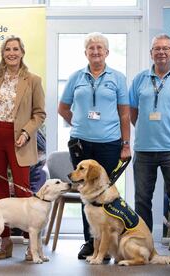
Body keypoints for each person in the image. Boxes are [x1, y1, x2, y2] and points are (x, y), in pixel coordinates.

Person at [58, 32, 130, 259]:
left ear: (107, 52)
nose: (96, 51)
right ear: (86, 53)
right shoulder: (76, 77)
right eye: (92, 48)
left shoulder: (117, 78)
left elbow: (125, 113)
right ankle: (90, 242)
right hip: (81, 143)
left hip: (109, 144)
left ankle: (107, 242)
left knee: (104, 193)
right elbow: (62, 108)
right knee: (86, 191)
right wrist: (78, 123)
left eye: (100, 48)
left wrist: (126, 144)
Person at [0, 35, 46, 261]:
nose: (12, 53)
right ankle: (5, 241)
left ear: (22, 52)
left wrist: (25, 132)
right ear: (3, 53)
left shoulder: (33, 80)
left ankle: (32, 246)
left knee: (22, 192)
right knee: (0, 193)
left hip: (20, 139)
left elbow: (40, 113)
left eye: (16, 49)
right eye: (7, 49)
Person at [129, 33, 170, 255]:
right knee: (141, 199)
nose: (161, 52)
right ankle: (143, 243)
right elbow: (132, 112)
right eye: (157, 48)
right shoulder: (140, 79)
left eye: (165, 48)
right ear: (151, 53)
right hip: (144, 149)